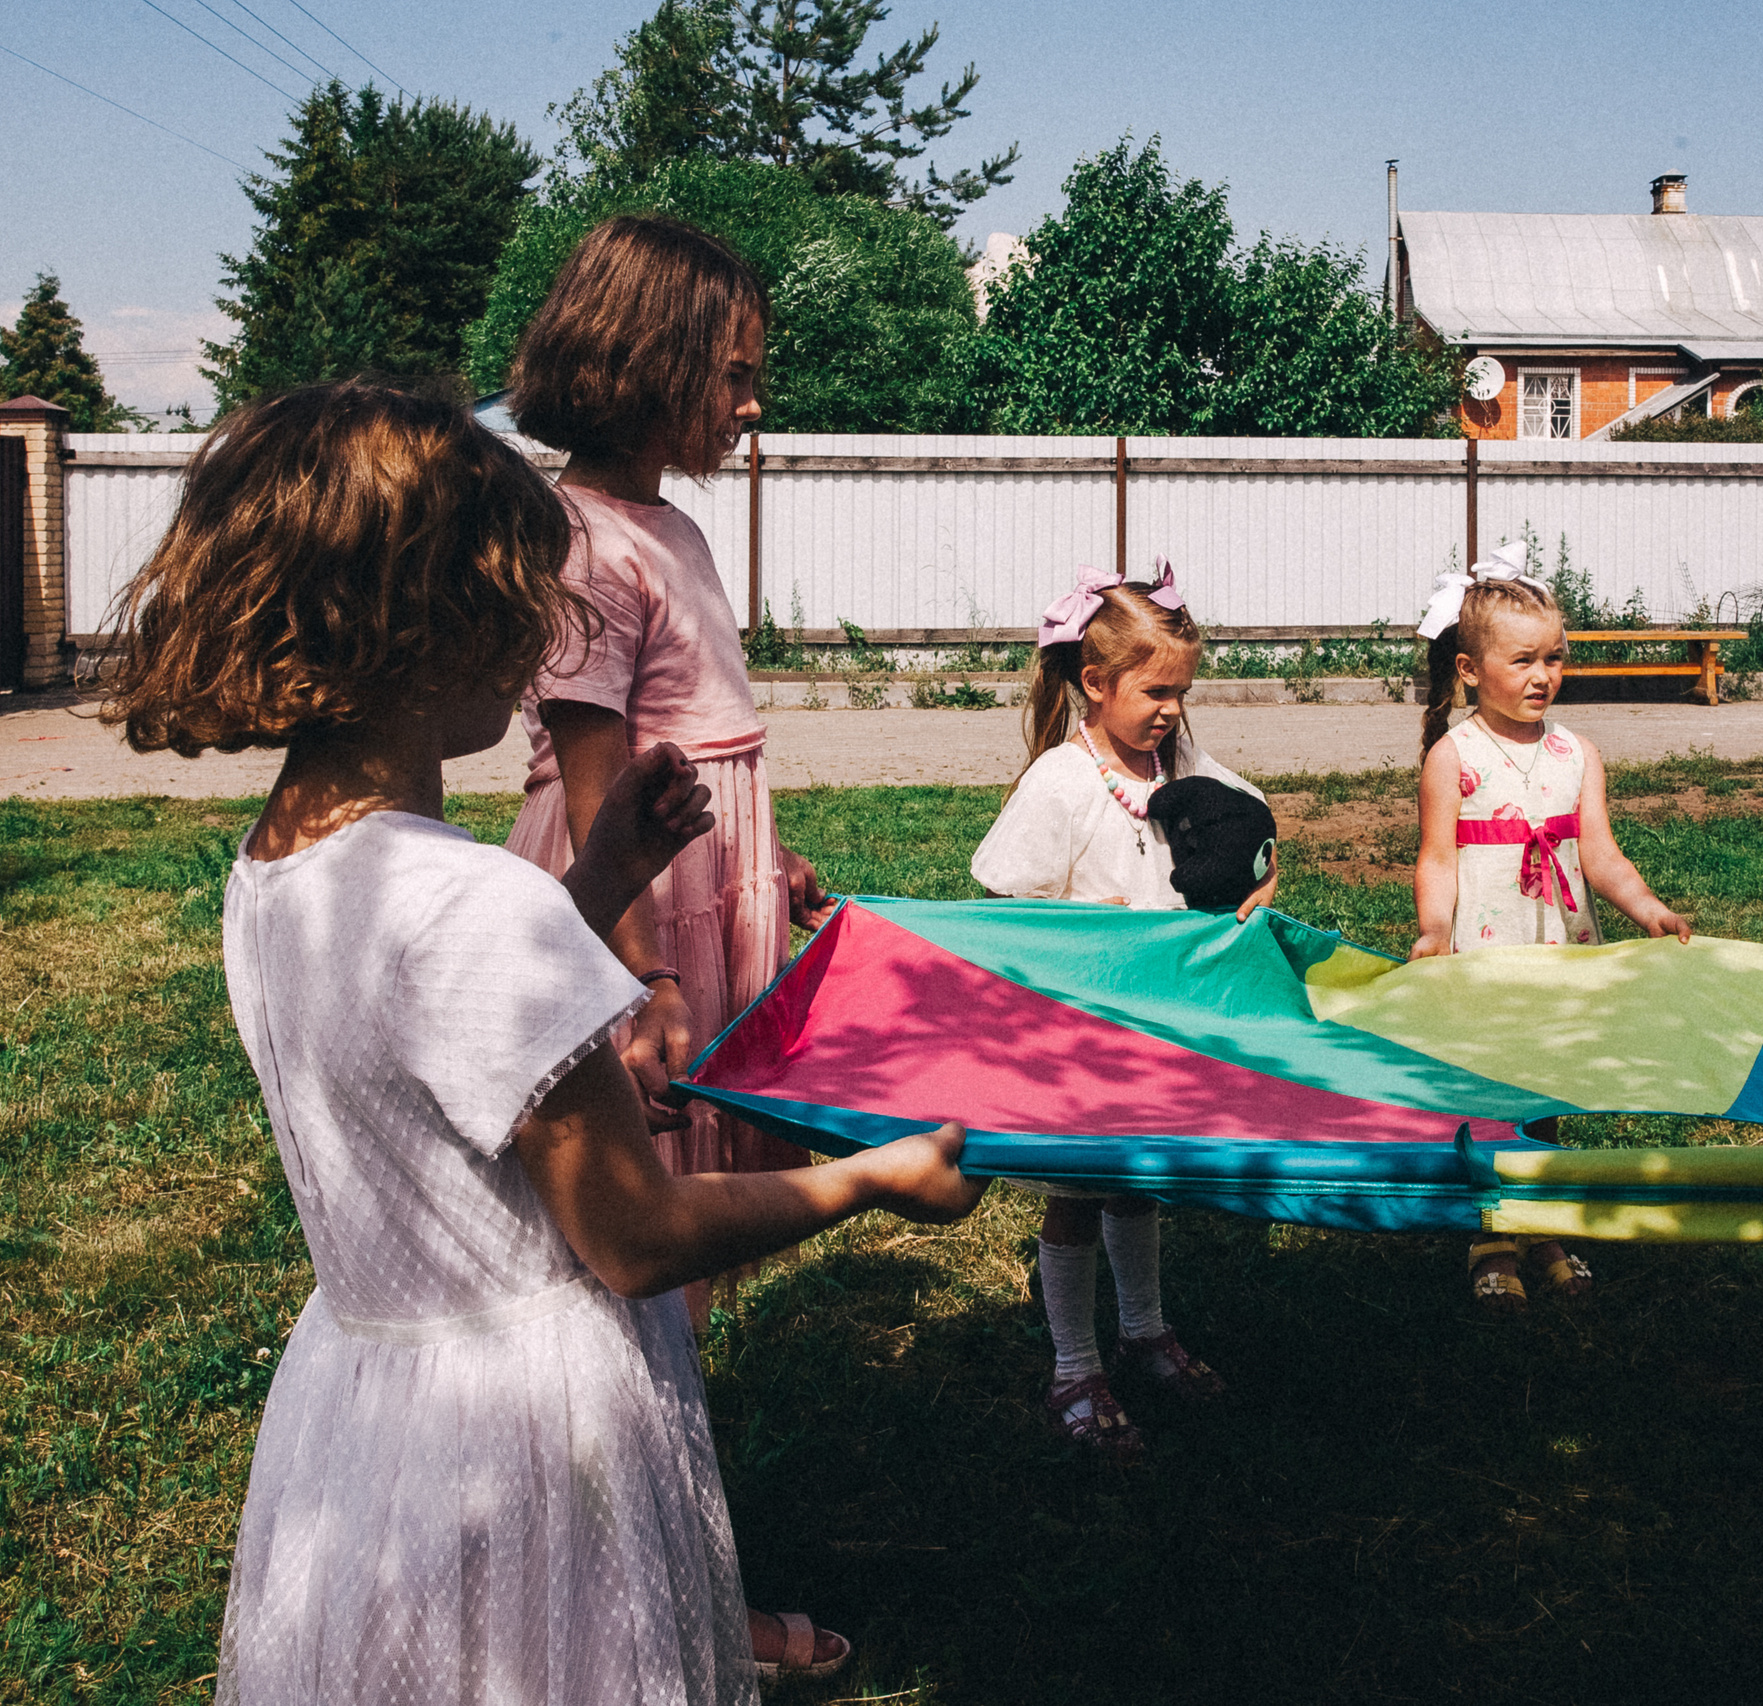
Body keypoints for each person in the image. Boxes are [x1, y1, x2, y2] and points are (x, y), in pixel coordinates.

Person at [98, 381, 984, 1702]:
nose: (531, 652)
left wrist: (608, 868)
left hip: (373, 1404)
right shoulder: (473, 901)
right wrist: (871, 1178)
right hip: (527, 1430)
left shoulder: (282, 871)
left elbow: (439, 1024)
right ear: (423, 631)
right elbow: (635, 1240)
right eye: (514, 608)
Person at [501, 213, 832, 1330]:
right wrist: (641, 976)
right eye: (735, 377)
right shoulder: (584, 542)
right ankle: (633, 1385)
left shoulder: (672, 526)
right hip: (638, 908)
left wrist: (765, 854)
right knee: (642, 1171)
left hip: (705, 878)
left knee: (696, 1160)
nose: (754, 403)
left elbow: (707, 722)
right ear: (650, 365)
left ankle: (671, 1374)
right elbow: (597, 789)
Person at [970, 563, 1275, 1462]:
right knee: (1078, 1193)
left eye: (1183, 690)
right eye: (1156, 690)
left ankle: (1143, 1332)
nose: (1173, 709)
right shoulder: (1064, 782)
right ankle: (1074, 1367)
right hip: (1084, 1030)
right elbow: (1006, 902)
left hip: (1161, 1022)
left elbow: (1250, 824)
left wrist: (1257, 878)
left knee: (1138, 1182)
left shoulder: (1177, 763)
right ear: (1095, 684)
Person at [1409, 549, 1690, 1313]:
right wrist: (1435, 930)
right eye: (1524, 660)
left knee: (1547, 1093)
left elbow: (1600, 854)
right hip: (1488, 959)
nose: (1543, 676)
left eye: (1555, 659)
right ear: (1469, 669)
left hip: (1562, 955)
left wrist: (1651, 912)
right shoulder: (1454, 756)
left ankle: (1546, 1225)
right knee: (1489, 1092)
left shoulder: (1576, 755)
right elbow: (1437, 860)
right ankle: (1493, 1234)